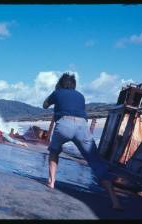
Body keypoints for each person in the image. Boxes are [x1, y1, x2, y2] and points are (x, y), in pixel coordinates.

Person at [43, 73, 123, 210]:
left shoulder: (57, 92)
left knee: (54, 151)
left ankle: (51, 182)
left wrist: (54, 94)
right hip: (82, 127)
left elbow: (45, 105)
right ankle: (115, 201)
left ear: (61, 83)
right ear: (73, 85)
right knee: (96, 162)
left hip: (64, 125)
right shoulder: (80, 96)